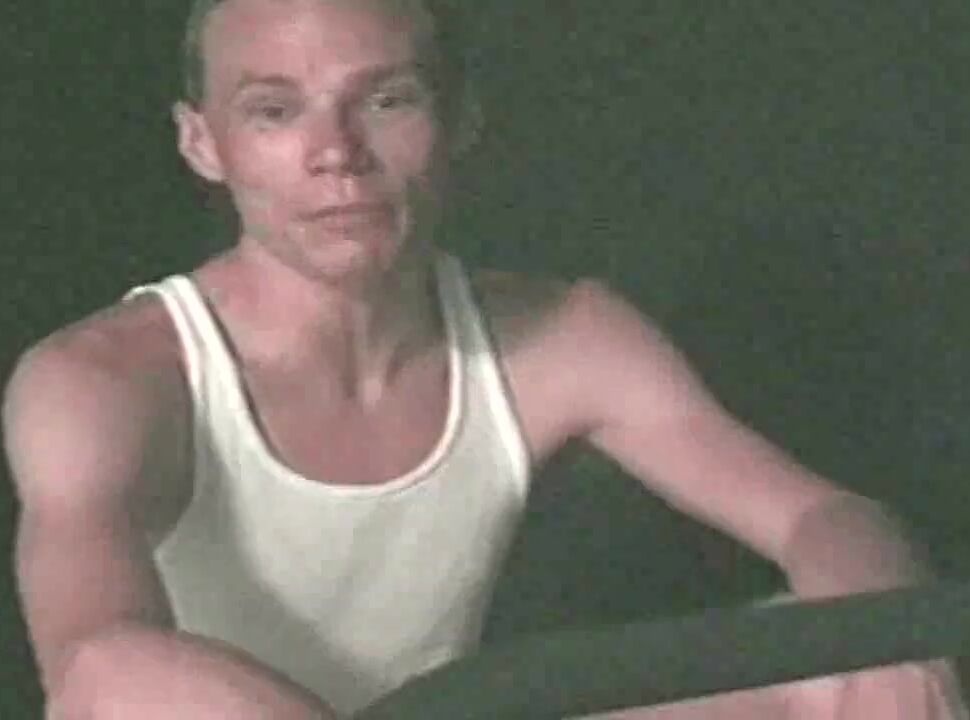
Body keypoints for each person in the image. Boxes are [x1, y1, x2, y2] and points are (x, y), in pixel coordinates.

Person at [2, 0, 965, 718]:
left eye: (385, 99)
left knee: (857, 652)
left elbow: (821, 516)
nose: (337, 153)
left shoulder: (567, 335)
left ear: (459, 118)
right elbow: (97, 671)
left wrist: (891, 652)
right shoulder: (105, 379)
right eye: (275, 111)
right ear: (202, 143)